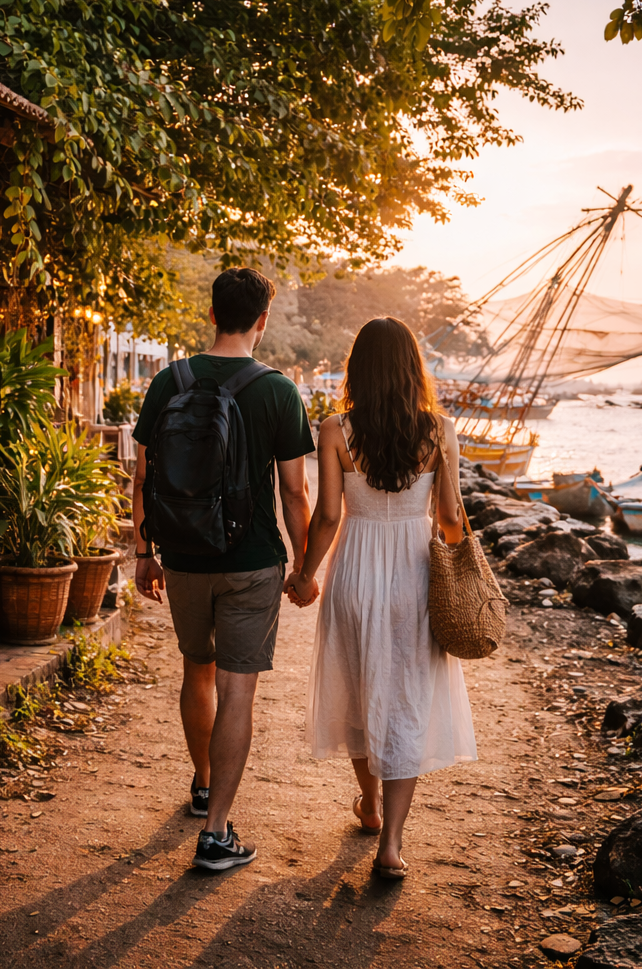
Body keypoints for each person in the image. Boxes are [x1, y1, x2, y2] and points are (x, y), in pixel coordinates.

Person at [131, 267, 315, 871]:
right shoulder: (278, 391)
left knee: (197, 670)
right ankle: (214, 834)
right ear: (262, 319)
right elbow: (295, 494)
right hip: (251, 561)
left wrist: (143, 554)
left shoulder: (168, 381)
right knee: (239, 686)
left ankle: (204, 783)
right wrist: (306, 566)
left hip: (183, 557)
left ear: (212, 313)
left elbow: (143, 475)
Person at [285, 317, 476, 880]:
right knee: (407, 699)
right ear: (412, 368)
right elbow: (448, 519)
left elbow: (327, 516)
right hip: (415, 574)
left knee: (359, 682)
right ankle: (390, 843)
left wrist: (304, 575)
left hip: (356, 572)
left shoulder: (336, 430)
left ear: (358, 369)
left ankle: (367, 804)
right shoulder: (439, 429)